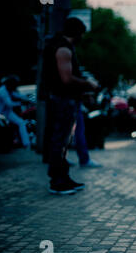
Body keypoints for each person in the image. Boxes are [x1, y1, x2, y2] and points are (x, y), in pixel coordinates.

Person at [42, 17, 99, 195]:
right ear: (77, 32)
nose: (82, 37)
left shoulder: (59, 46)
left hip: (62, 99)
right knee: (60, 141)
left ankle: (63, 177)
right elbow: (66, 79)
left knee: (63, 141)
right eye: (81, 33)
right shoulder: (63, 49)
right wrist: (88, 84)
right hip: (62, 101)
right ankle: (57, 181)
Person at [0, 75, 31, 148]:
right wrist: (21, 103)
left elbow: (17, 95)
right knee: (13, 125)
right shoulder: (2, 91)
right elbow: (9, 103)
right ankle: (22, 143)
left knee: (21, 123)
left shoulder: (8, 89)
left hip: (7, 112)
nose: (15, 87)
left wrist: (27, 98)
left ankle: (26, 143)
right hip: (0, 113)